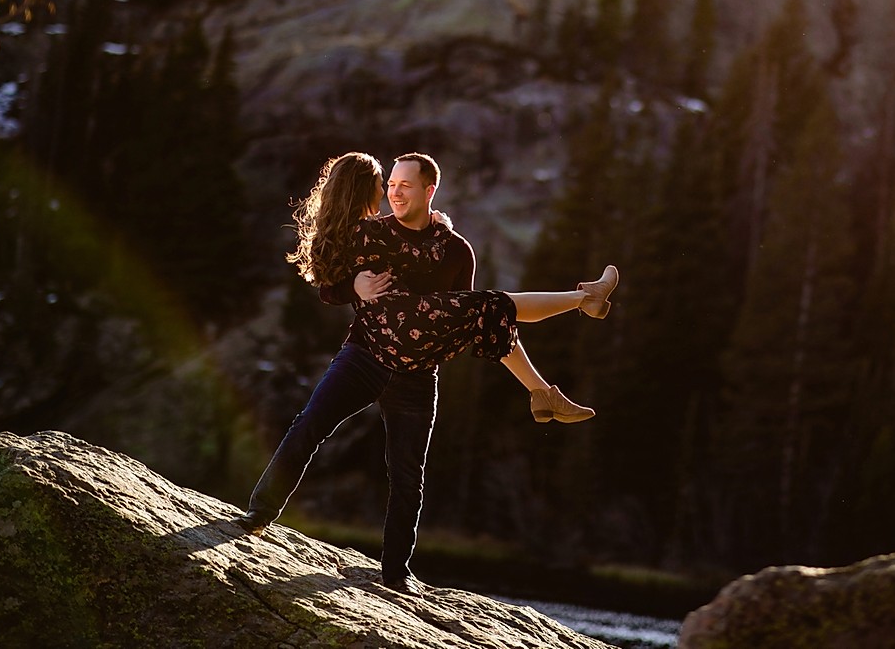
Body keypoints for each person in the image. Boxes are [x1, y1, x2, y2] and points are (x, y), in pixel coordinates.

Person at [237, 151, 617, 594]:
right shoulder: (369, 233)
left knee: (408, 475)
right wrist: (351, 287)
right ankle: (258, 514)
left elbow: (465, 316)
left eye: (404, 186)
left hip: (418, 370)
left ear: (429, 190)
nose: (393, 193)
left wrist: (432, 333)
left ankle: (396, 572)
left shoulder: (456, 249)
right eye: (390, 184)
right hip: (367, 352)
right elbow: (326, 285)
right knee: (309, 425)